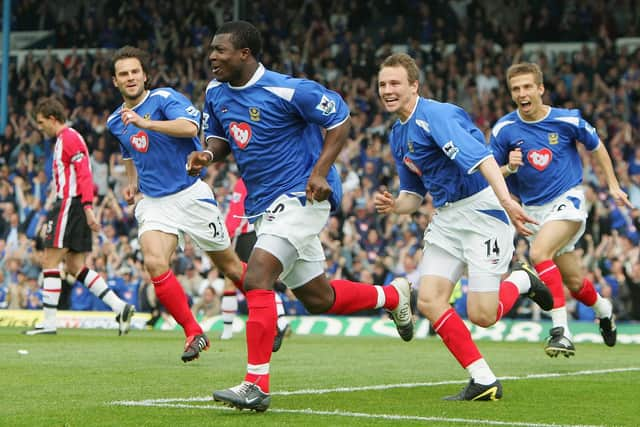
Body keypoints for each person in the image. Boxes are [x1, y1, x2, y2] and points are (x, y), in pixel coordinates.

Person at [187, 21, 413, 412]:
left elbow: (339, 118)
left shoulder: (288, 89)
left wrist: (320, 172)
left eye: (221, 50)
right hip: (263, 206)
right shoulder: (215, 93)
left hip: (303, 195)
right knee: (318, 298)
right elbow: (223, 138)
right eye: (211, 50)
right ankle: (392, 295)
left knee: (257, 275)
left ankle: (255, 384)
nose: (212, 56)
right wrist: (208, 154)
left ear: (245, 54)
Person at [374, 53, 553, 401]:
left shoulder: (436, 116)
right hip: (446, 218)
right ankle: (483, 379)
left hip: (482, 212)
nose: (387, 90)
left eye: (395, 83)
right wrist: (396, 206)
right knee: (428, 300)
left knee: (483, 316)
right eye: (382, 84)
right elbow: (413, 194)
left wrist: (507, 202)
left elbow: (483, 158)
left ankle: (522, 279)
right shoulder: (397, 134)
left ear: (414, 86)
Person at [106, 45, 248, 362]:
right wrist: (131, 183)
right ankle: (193, 331)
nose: (130, 78)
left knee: (230, 267)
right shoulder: (115, 120)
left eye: (134, 72)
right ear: (115, 82)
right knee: (155, 263)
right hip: (155, 202)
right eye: (123, 74)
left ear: (145, 75)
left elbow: (190, 127)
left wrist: (146, 123)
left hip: (190, 194)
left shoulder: (164, 99)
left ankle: (269, 305)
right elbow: (129, 151)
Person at [490, 62, 632, 357]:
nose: (522, 93)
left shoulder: (567, 120)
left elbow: (597, 147)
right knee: (576, 282)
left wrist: (614, 185)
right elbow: (490, 173)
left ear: (540, 89)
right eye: (516, 89)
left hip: (568, 200)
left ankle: (560, 330)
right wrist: (509, 167)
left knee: (539, 254)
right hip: (533, 210)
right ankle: (604, 310)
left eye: (528, 86)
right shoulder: (504, 129)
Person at [24, 97, 135, 336]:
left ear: (53, 119)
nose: (40, 127)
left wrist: (87, 207)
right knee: (75, 266)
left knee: (49, 261)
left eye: (42, 122)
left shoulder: (69, 138)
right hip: (73, 205)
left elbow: (84, 174)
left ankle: (49, 323)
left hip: (69, 205)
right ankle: (120, 306)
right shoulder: (66, 139)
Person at [220, 174, 290, 352]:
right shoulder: (265, 178)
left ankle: (228, 330)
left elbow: (236, 214)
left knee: (236, 279)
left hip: (243, 235)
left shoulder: (243, 182)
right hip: (258, 232)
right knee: (259, 280)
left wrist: (227, 235)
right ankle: (281, 319)